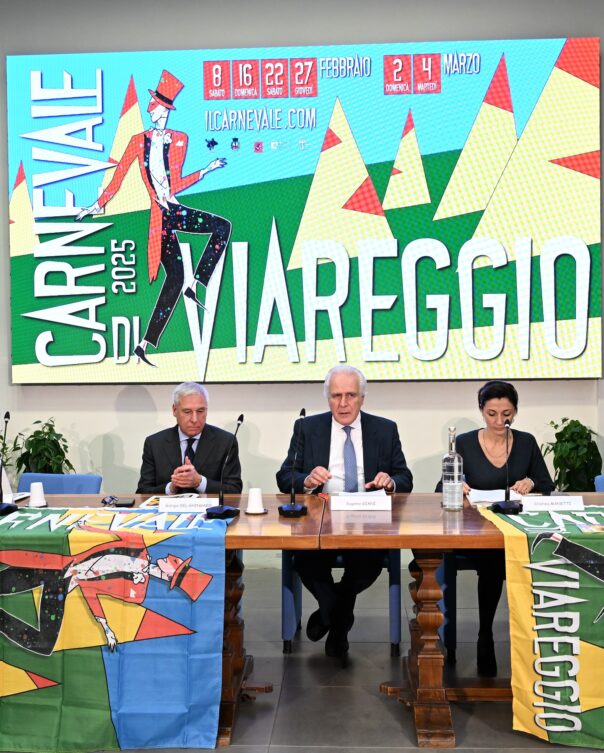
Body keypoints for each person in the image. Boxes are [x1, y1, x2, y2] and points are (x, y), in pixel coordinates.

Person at [77, 70, 232, 367]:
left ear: (165, 109)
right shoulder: (138, 141)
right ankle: (145, 344)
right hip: (160, 219)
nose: (150, 108)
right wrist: (95, 206)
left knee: (222, 227)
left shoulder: (180, 139)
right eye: (150, 103)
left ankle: (197, 282)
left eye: (155, 104)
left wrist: (206, 170)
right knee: (174, 276)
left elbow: (176, 185)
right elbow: (117, 178)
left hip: (175, 210)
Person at [276, 365, 413, 658]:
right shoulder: (307, 428)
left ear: (362, 397)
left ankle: (330, 614)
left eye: (350, 395)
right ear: (327, 398)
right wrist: (306, 480)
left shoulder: (384, 429)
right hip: (321, 519)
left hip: (367, 518)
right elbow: (285, 476)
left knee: (367, 563)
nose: (343, 403)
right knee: (306, 559)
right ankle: (337, 614)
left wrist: (390, 482)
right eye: (336, 396)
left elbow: (405, 478)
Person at [445, 379, 554, 677]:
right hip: (476, 531)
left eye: (506, 414)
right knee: (495, 559)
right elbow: (443, 485)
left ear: (515, 412)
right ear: (481, 410)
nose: (498, 421)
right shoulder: (464, 443)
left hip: (516, 527)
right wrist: (457, 484)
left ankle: (539, 638)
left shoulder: (526, 442)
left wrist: (530, 482)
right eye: (491, 413)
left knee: (525, 553)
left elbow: (546, 484)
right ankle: (485, 635)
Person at [0, 529, 211, 655]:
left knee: (44, 644)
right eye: (177, 559)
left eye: (176, 562)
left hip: (62, 586)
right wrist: (85, 526)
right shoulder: (138, 543)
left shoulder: (137, 592)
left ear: (171, 576)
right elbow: (108, 531)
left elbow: (92, 590)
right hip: (56, 567)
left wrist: (105, 626)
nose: (173, 557)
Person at [137, 382, 242, 495]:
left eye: (200, 411)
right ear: (174, 410)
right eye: (187, 412)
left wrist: (200, 482)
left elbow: (234, 490)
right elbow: (143, 491)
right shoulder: (154, 444)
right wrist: (171, 488)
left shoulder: (226, 442)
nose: (194, 419)